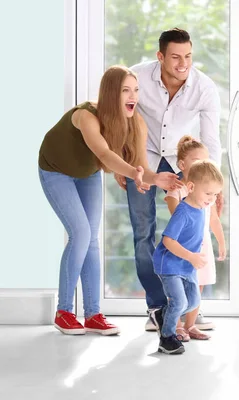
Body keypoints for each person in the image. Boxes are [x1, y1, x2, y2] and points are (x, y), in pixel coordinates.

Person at [38, 65, 183, 336]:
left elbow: (139, 166)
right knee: (79, 233)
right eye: (125, 90)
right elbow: (105, 154)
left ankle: (92, 314)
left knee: (91, 238)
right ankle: (64, 312)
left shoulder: (134, 122)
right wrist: (135, 174)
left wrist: (158, 179)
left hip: (86, 173)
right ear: (109, 94)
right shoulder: (86, 116)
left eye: (136, 90)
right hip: (55, 170)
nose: (133, 96)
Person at [113, 28, 224, 331]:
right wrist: (120, 165)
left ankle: (187, 307)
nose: (183, 63)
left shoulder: (204, 88)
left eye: (188, 56)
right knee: (143, 231)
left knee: (192, 232)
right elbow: (119, 120)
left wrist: (212, 180)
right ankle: (158, 307)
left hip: (182, 161)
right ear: (160, 56)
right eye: (175, 57)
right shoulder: (136, 78)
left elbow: (212, 141)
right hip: (143, 159)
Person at [150, 160, 225, 354]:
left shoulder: (203, 208)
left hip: (187, 265)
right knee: (180, 302)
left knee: (192, 302)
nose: (212, 198)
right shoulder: (183, 212)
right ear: (190, 187)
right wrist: (191, 256)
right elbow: (168, 241)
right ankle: (166, 338)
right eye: (208, 193)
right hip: (170, 265)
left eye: (215, 194)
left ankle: (162, 314)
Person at [165, 136, 226, 341]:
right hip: (183, 246)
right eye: (197, 161)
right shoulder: (179, 189)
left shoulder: (207, 194)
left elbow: (214, 220)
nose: (203, 165)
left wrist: (222, 243)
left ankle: (190, 325)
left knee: (198, 285)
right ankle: (177, 325)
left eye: (205, 161)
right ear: (182, 164)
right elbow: (177, 216)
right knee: (179, 286)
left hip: (202, 246)